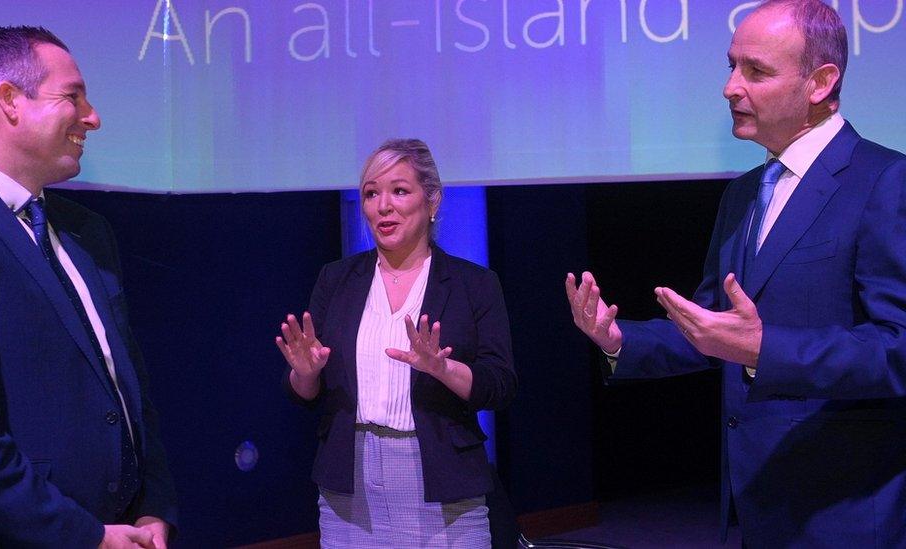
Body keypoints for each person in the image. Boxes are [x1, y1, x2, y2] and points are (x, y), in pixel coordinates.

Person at [566, 1, 906, 547]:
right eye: (731, 65)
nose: (730, 87)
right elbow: (716, 331)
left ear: (820, 82)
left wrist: (765, 348)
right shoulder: (743, 193)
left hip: (846, 510)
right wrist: (619, 340)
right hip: (759, 504)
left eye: (756, 71)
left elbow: (899, 348)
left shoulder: (886, 182)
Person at [0, 26, 177, 547]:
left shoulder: (88, 230)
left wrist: (153, 504)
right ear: (9, 101)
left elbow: (126, 381)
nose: (93, 117)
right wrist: (82, 535)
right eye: (73, 96)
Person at [276, 139, 516, 547]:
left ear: (433, 200)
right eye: (371, 193)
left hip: (442, 483)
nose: (382, 206)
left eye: (399, 191)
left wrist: (443, 369)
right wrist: (305, 374)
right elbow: (304, 394)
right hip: (349, 486)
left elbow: (501, 385)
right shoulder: (335, 280)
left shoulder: (474, 284)